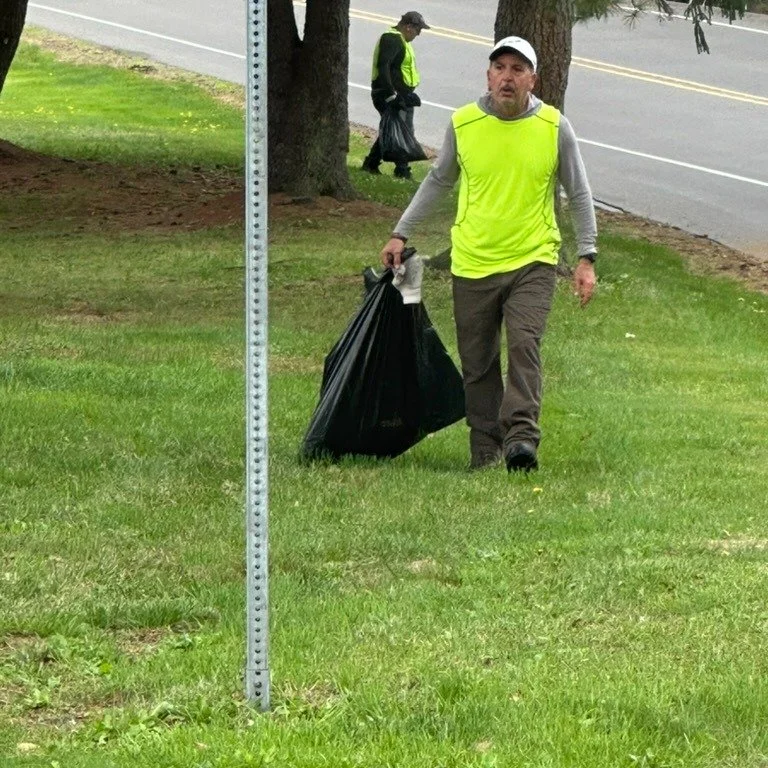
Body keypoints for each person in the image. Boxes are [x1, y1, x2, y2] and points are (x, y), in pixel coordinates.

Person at [379, 36, 598, 472]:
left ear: (533, 80)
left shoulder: (554, 127)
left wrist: (586, 256)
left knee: (524, 345)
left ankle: (521, 440)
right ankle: (485, 448)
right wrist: (400, 233)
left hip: (532, 259)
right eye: (500, 68)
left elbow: (578, 192)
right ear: (488, 76)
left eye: (518, 69)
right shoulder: (464, 123)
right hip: (473, 262)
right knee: (477, 362)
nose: (507, 77)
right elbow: (438, 181)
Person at [362, 11, 430, 180]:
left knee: (393, 128)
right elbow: (383, 66)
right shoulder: (392, 39)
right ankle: (402, 170)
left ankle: (371, 163)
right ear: (408, 27)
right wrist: (392, 96)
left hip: (402, 94)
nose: (418, 34)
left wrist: (407, 93)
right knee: (403, 129)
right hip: (388, 94)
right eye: (418, 30)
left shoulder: (402, 40)